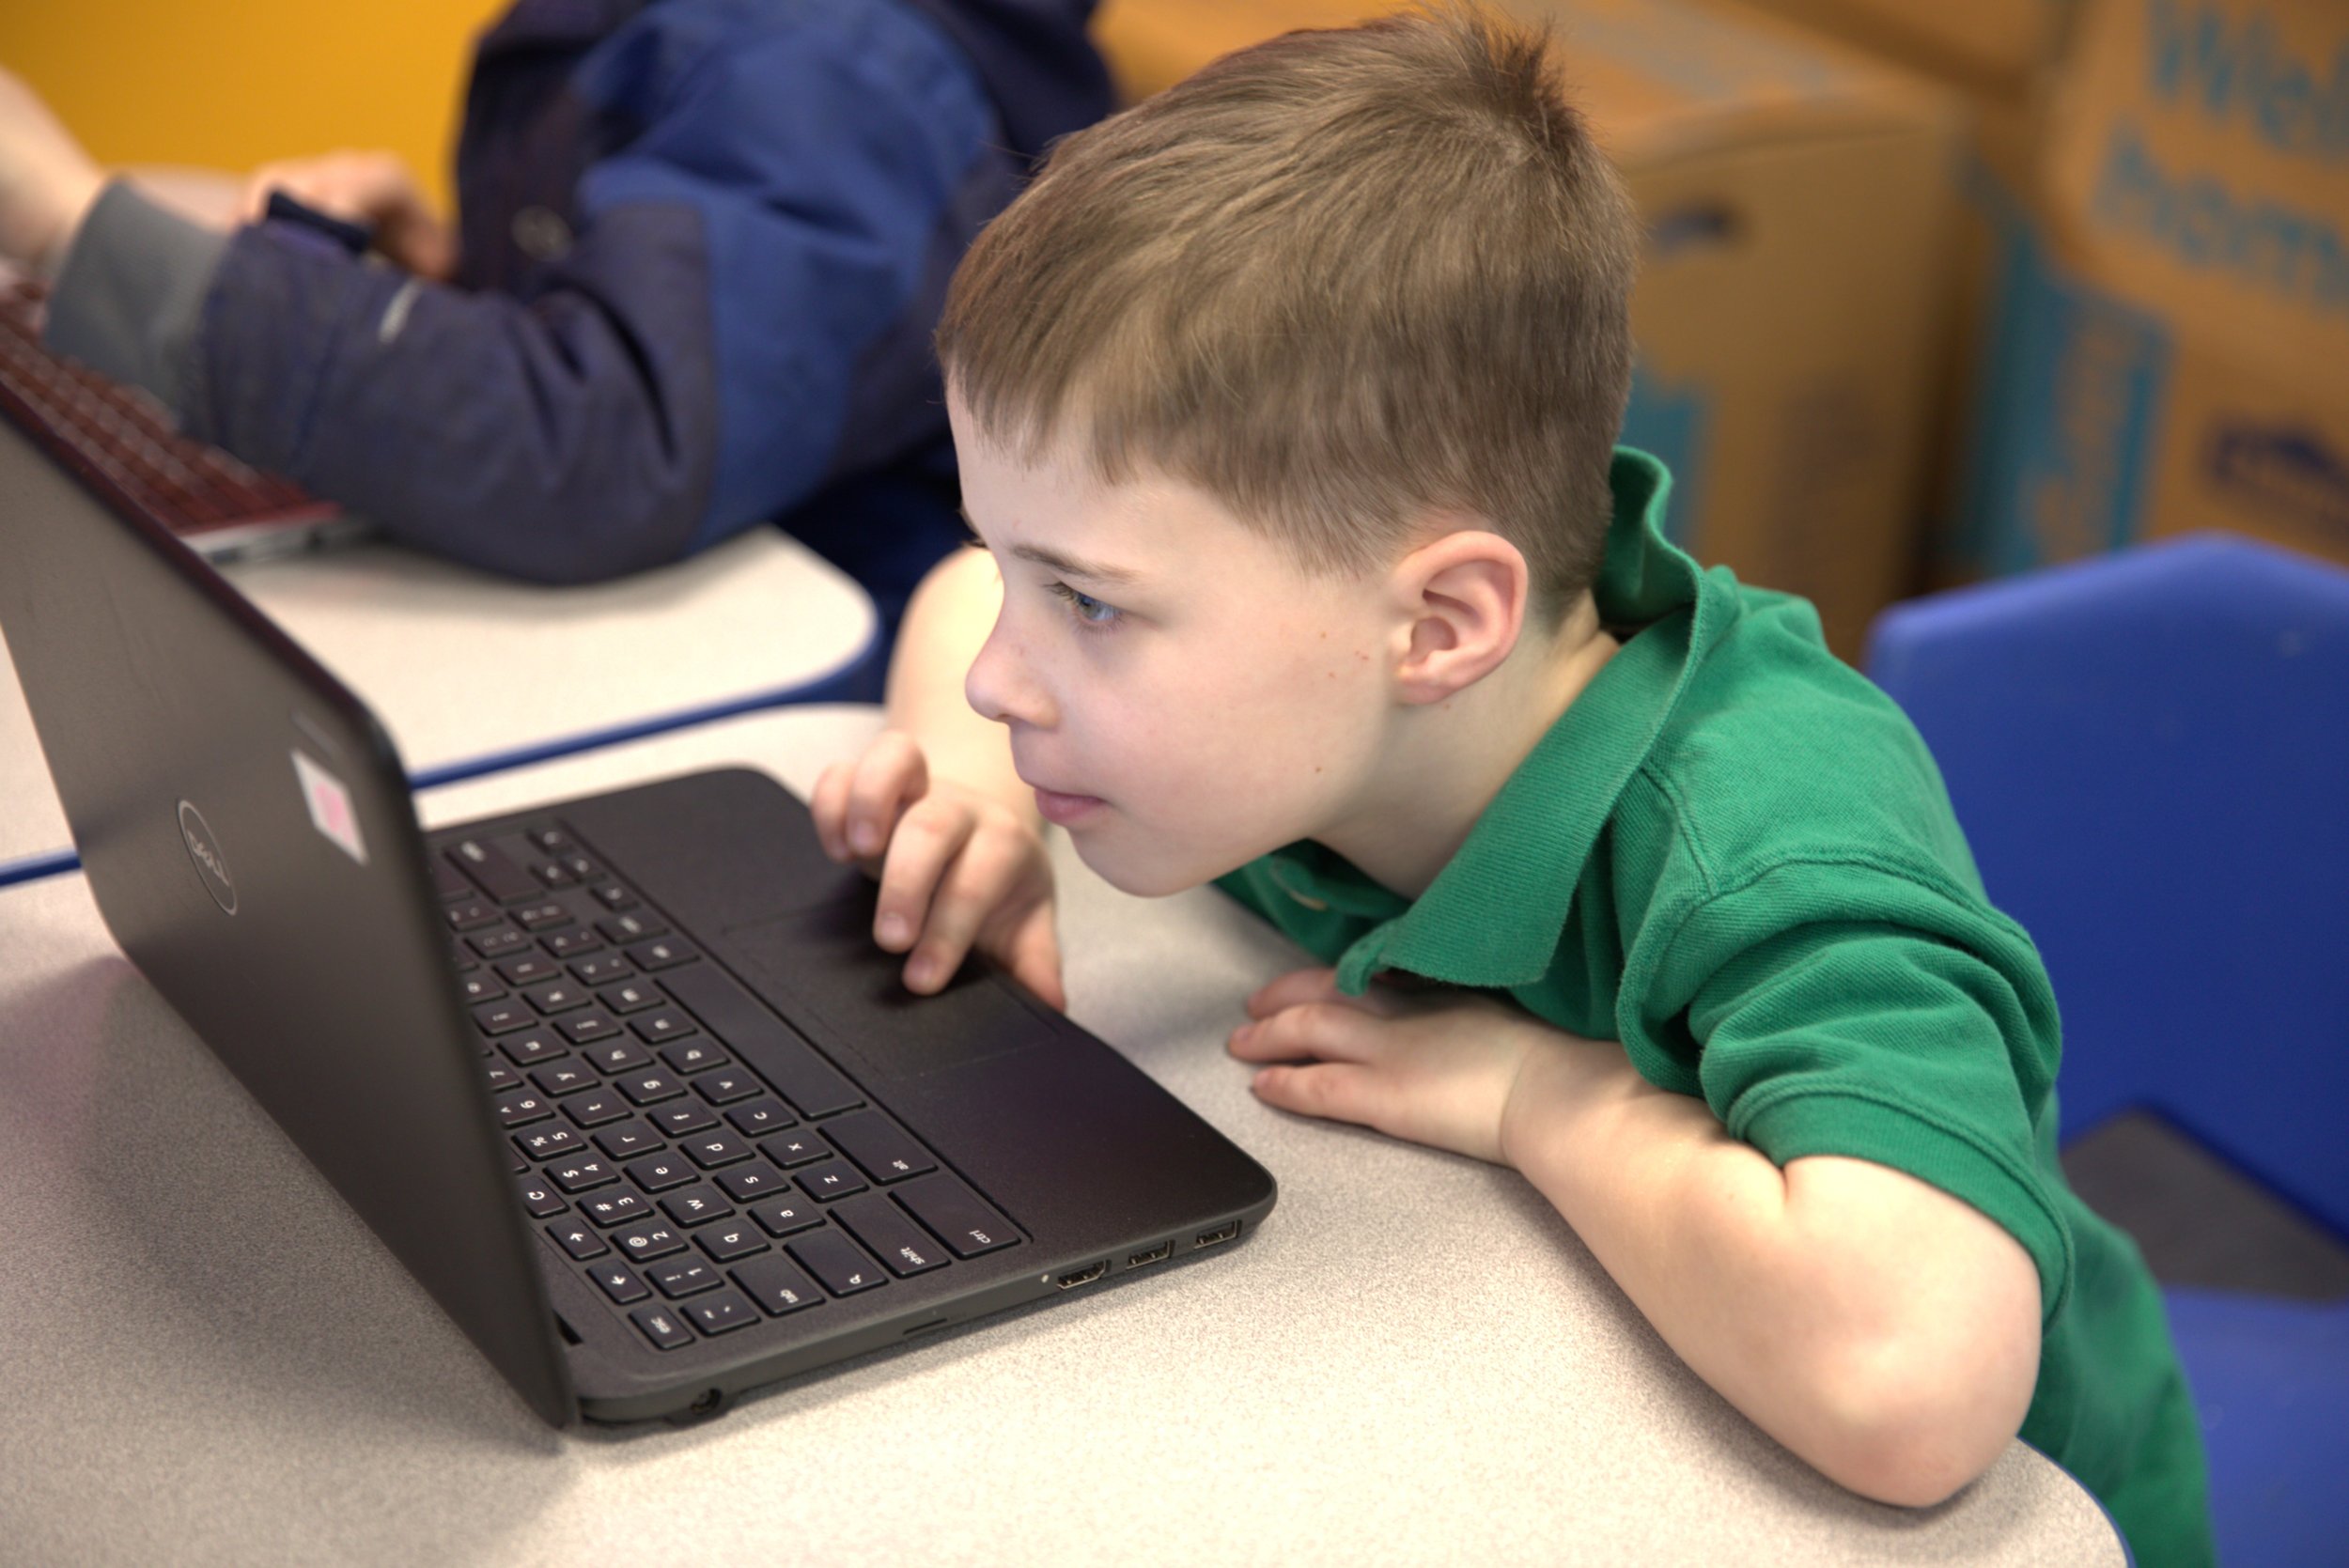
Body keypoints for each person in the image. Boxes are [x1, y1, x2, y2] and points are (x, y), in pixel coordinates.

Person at [800, 7, 2214, 1562]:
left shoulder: (1763, 848)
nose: (1002, 678)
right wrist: (972, 794)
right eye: (1023, 567)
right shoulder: (1333, 701)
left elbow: (1911, 1384)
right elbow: (956, 598)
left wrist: (1544, 1098)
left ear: (1439, 625)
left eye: (1088, 603)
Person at [0, 0, 1112, 629]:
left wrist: (65, 218)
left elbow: (601, 450)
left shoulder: (842, 73)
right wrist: (459, 277)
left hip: (807, 697)